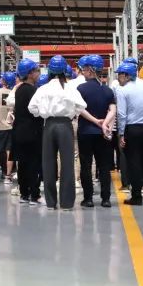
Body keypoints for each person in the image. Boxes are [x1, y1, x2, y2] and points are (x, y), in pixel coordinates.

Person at [30, 55, 87, 211]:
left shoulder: (43, 89)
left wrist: (42, 113)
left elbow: (32, 108)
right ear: (64, 70)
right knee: (67, 164)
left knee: (48, 163)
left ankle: (50, 202)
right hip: (65, 125)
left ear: (49, 70)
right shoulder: (70, 88)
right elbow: (82, 106)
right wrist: (73, 113)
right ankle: (67, 203)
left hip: (49, 125)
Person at [76, 55, 116, 208]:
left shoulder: (81, 89)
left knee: (86, 165)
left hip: (85, 132)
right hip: (103, 134)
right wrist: (104, 124)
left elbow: (80, 109)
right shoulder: (107, 90)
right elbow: (113, 110)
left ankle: (88, 199)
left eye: (84, 69)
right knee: (104, 166)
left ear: (91, 70)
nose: (83, 72)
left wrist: (95, 121)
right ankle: (106, 199)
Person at [116, 62, 143, 206]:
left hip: (131, 129)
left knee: (133, 163)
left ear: (127, 76)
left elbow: (122, 114)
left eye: (120, 74)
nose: (118, 77)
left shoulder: (122, 90)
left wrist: (121, 134)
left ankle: (137, 196)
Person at [12, 58, 44, 204]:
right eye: (37, 71)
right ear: (30, 73)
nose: (38, 73)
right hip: (33, 132)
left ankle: (24, 194)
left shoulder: (19, 90)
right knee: (33, 163)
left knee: (22, 164)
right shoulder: (34, 91)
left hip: (19, 131)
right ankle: (34, 195)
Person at [0, 74, 14, 184]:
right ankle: (8, 175)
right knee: (9, 150)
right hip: (10, 126)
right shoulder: (13, 93)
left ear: (3, 81)